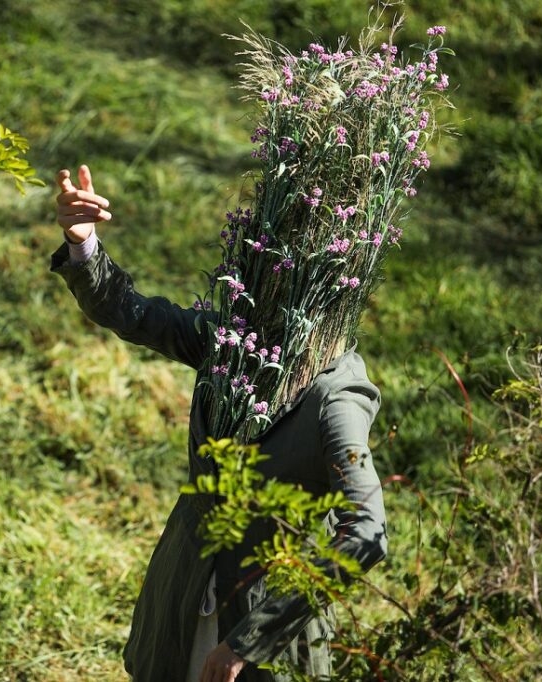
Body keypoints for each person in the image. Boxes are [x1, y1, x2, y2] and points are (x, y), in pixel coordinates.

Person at [50, 165, 389, 682]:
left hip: (260, 630)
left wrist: (249, 641)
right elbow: (136, 314)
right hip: (183, 596)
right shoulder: (237, 340)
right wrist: (85, 245)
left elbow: (367, 532)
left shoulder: (336, 398)